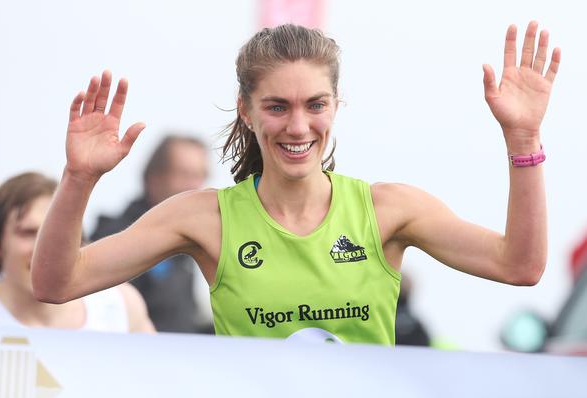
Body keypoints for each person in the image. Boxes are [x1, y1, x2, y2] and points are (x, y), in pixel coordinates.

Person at [32, 22, 560, 345]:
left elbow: (519, 265)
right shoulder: (204, 218)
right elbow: (56, 284)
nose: (299, 126)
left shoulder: (389, 209)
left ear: (337, 104)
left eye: (316, 104)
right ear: (246, 111)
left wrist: (523, 137)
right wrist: (78, 178)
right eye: (277, 107)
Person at [0, 172, 154, 333]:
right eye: (28, 233)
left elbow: (157, 383)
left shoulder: (121, 305)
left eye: (57, 234)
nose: (45, 249)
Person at [90, 135, 212, 333]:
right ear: (154, 178)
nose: (194, 186)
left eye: (200, 176)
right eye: (184, 174)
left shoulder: (192, 239)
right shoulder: (117, 236)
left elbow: (183, 323)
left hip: (180, 358)